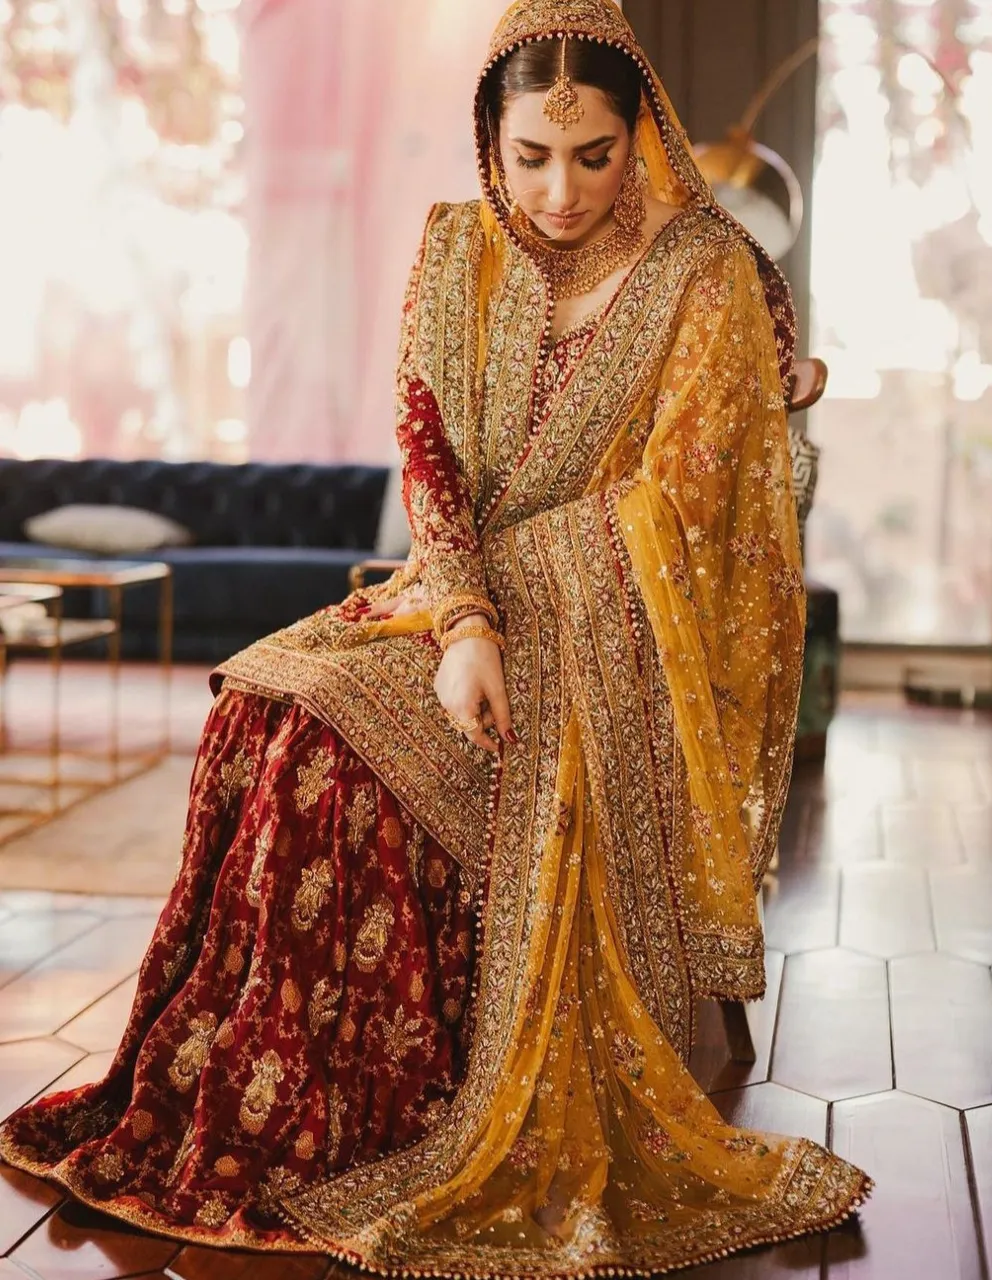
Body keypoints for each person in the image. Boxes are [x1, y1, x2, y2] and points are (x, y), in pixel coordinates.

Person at [0, 0, 872, 1271]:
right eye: (530, 156)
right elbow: (429, 456)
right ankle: (274, 1107)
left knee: (337, 756)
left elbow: (703, 491)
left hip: (608, 628)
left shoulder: (701, 269)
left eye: (594, 155)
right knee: (269, 707)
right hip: (457, 591)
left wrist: (775, 377)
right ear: (488, 140)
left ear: (642, 138)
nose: (559, 190)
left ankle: (390, 1108)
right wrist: (465, 619)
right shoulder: (454, 250)